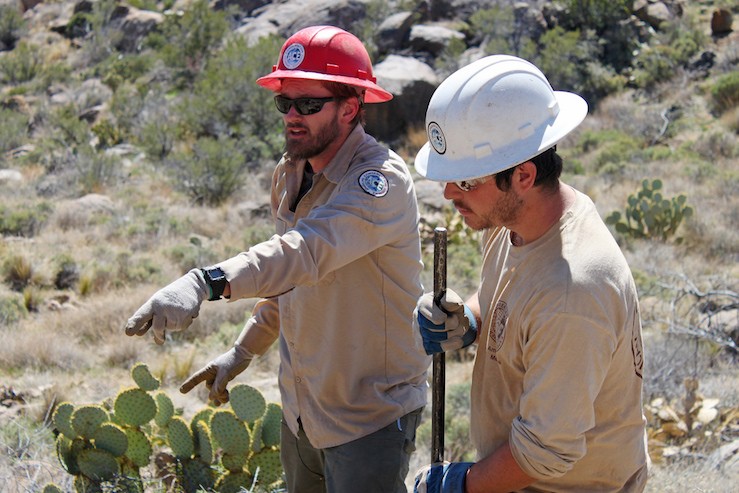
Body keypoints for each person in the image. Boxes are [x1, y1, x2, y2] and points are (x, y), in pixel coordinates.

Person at [124, 25, 431, 493]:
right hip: (302, 410)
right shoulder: (292, 172)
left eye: (308, 104)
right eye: (283, 102)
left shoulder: (379, 182)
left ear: (350, 108)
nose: (291, 115)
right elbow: (287, 280)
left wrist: (204, 283)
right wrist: (243, 350)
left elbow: (301, 253)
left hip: (368, 417)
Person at [412, 55, 649, 492]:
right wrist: (468, 319)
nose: (448, 194)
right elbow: (506, 296)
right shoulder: (514, 223)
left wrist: (461, 485)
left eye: (465, 182)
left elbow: (545, 449)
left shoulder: (574, 289)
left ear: (522, 175)